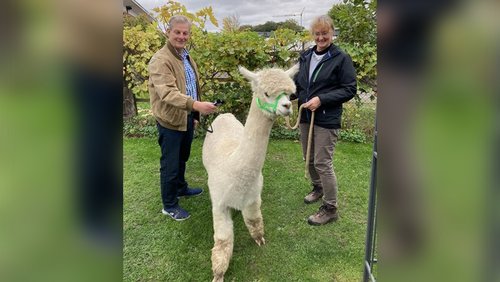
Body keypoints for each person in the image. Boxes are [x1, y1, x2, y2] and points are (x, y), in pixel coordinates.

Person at [148, 15, 217, 221]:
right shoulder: (160, 60)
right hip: (170, 120)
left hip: (186, 116)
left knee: (182, 157)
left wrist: (194, 114)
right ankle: (169, 205)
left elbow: (191, 87)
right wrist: (196, 106)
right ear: (168, 32)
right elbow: (167, 93)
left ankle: (180, 188)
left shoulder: (185, 55)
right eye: (177, 32)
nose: (181, 36)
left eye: (185, 33)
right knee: (170, 163)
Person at [292, 15, 357, 226]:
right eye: (317, 34)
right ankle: (318, 188)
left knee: (322, 162)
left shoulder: (341, 58)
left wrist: (322, 100)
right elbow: (298, 86)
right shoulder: (305, 57)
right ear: (313, 35)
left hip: (326, 118)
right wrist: (280, 96)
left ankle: (331, 208)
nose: (321, 38)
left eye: (325, 33)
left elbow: (349, 89)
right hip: (306, 116)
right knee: (308, 158)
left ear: (332, 33)